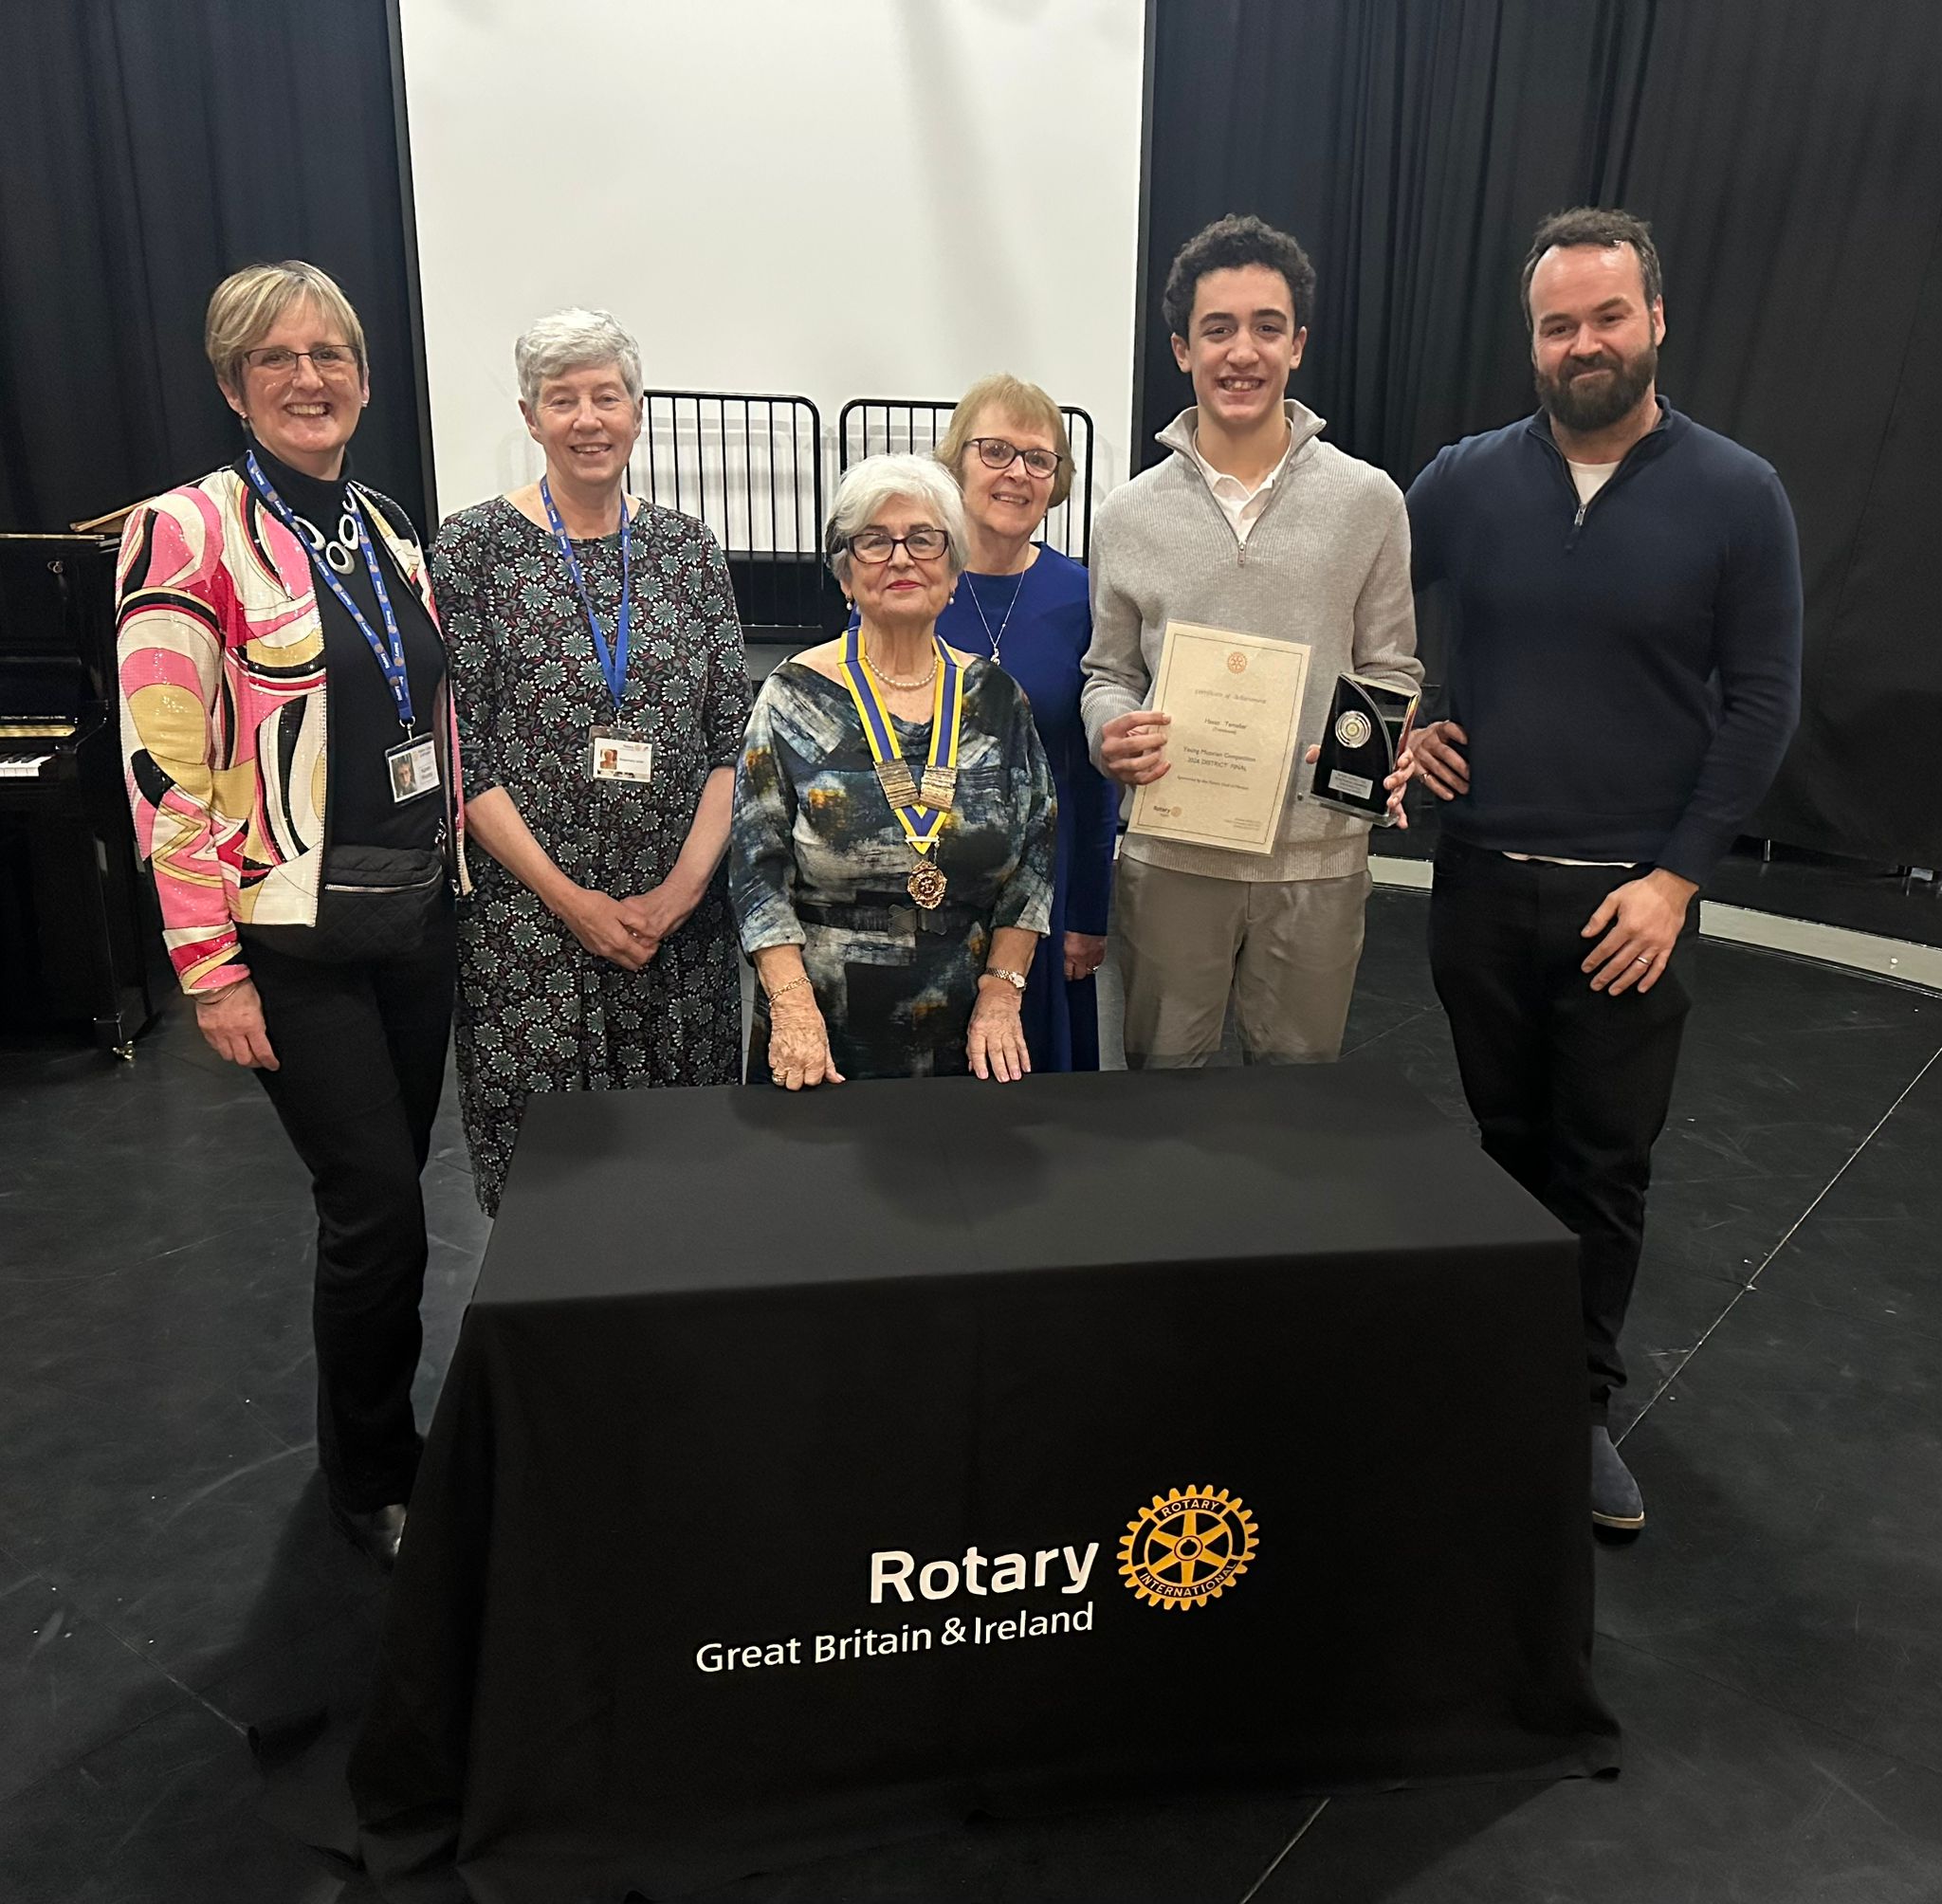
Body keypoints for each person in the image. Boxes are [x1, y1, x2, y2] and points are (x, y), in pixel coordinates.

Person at [1403, 207, 1803, 1534]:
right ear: (1532, 338)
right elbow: (1371, 611)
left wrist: (1678, 882)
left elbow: (1760, 704)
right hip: (1477, 884)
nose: (1584, 343)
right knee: (1500, 1146)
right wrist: (1406, 720)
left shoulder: (1739, 494)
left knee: (1602, 1162)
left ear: (1656, 320)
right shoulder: (1463, 480)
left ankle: (1571, 1410)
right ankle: (1503, 1370)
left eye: (1607, 316)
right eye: (1558, 323)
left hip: (1627, 904)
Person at [116, 261, 465, 1569]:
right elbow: (164, 768)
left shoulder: (380, 527)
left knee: (390, 1208)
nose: (310, 378)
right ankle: (371, 1472)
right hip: (290, 935)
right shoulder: (187, 531)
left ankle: (372, 1436)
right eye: (279, 359)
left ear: (366, 379)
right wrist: (208, 966)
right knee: (375, 1207)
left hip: (414, 922)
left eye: (331, 355)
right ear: (232, 385)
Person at [1081, 213, 1421, 1068]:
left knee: (1297, 1112)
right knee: (1163, 1098)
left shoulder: (1368, 501)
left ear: (1297, 345)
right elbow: (1107, 672)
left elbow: (1391, 666)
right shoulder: (1127, 515)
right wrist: (1108, 731)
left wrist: (1364, 760)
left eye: (1267, 328)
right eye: (1217, 329)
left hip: (1316, 859)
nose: (1243, 352)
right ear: (1181, 350)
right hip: (1172, 854)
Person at [432, 309, 751, 1214]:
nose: (587, 419)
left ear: (636, 410)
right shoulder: (472, 550)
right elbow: (466, 755)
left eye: (605, 396)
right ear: (531, 419)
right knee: (553, 1196)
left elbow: (732, 737)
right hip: (530, 928)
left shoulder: (687, 552)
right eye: (561, 399)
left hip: (675, 932)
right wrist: (572, 903)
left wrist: (679, 896)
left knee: (678, 1177)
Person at [731, 453, 1055, 1089]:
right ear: (846, 575)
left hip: (971, 1026)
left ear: (954, 568)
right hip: (820, 1031)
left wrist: (1002, 992)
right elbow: (754, 870)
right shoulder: (793, 696)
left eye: (924, 539)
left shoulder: (997, 699)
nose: (901, 558)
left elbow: (1036, 860)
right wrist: (793, 1007)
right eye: (875, 541)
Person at [924, 374, 1114, 1070]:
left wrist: (1090, 913)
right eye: (996, 450)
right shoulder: (907, 578)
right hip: (926, 887)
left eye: (1039, 459)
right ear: (957, 460)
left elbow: (1096, 779)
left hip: (1042, 894)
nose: (1017, 474)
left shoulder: (1083, 595)